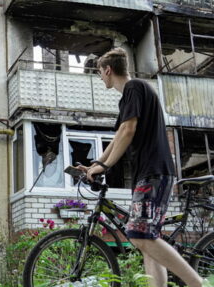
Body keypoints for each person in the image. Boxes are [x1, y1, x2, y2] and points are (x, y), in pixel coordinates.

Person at [74, 48, 202, 287]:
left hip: (154, 171)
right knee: (148, 242)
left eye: (100, 73)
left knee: (139, 235)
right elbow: (118, 137)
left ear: (108, 70)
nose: (100, 77)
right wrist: (97, 164)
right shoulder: (133, 94)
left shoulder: (134, 88)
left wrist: (105, 167)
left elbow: (127, 131)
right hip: (151, 172)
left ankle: (198, 284)